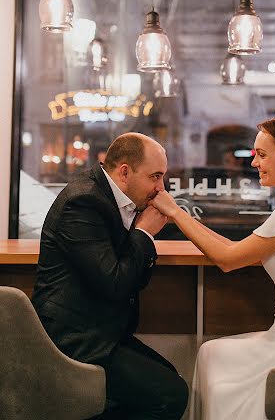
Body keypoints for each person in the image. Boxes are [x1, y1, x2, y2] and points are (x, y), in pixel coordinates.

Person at [150, 113, 275, 420]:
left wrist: (176, 213)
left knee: (215, 362)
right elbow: (233, 250)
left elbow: (228, 260)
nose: (254, 162)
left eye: (263, 154)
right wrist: (182, 216)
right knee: (212, 354)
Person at [32, 132, 188, 420]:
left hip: (103, 330)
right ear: (125, 172)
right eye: (155, 177)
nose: (160, 189)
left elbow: (133, 278)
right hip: (74, 336)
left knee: (170, 379)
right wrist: (144, 233)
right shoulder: (83, 202)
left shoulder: (117, 198)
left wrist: (142, 235)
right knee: (169, 396)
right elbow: (116, 283)